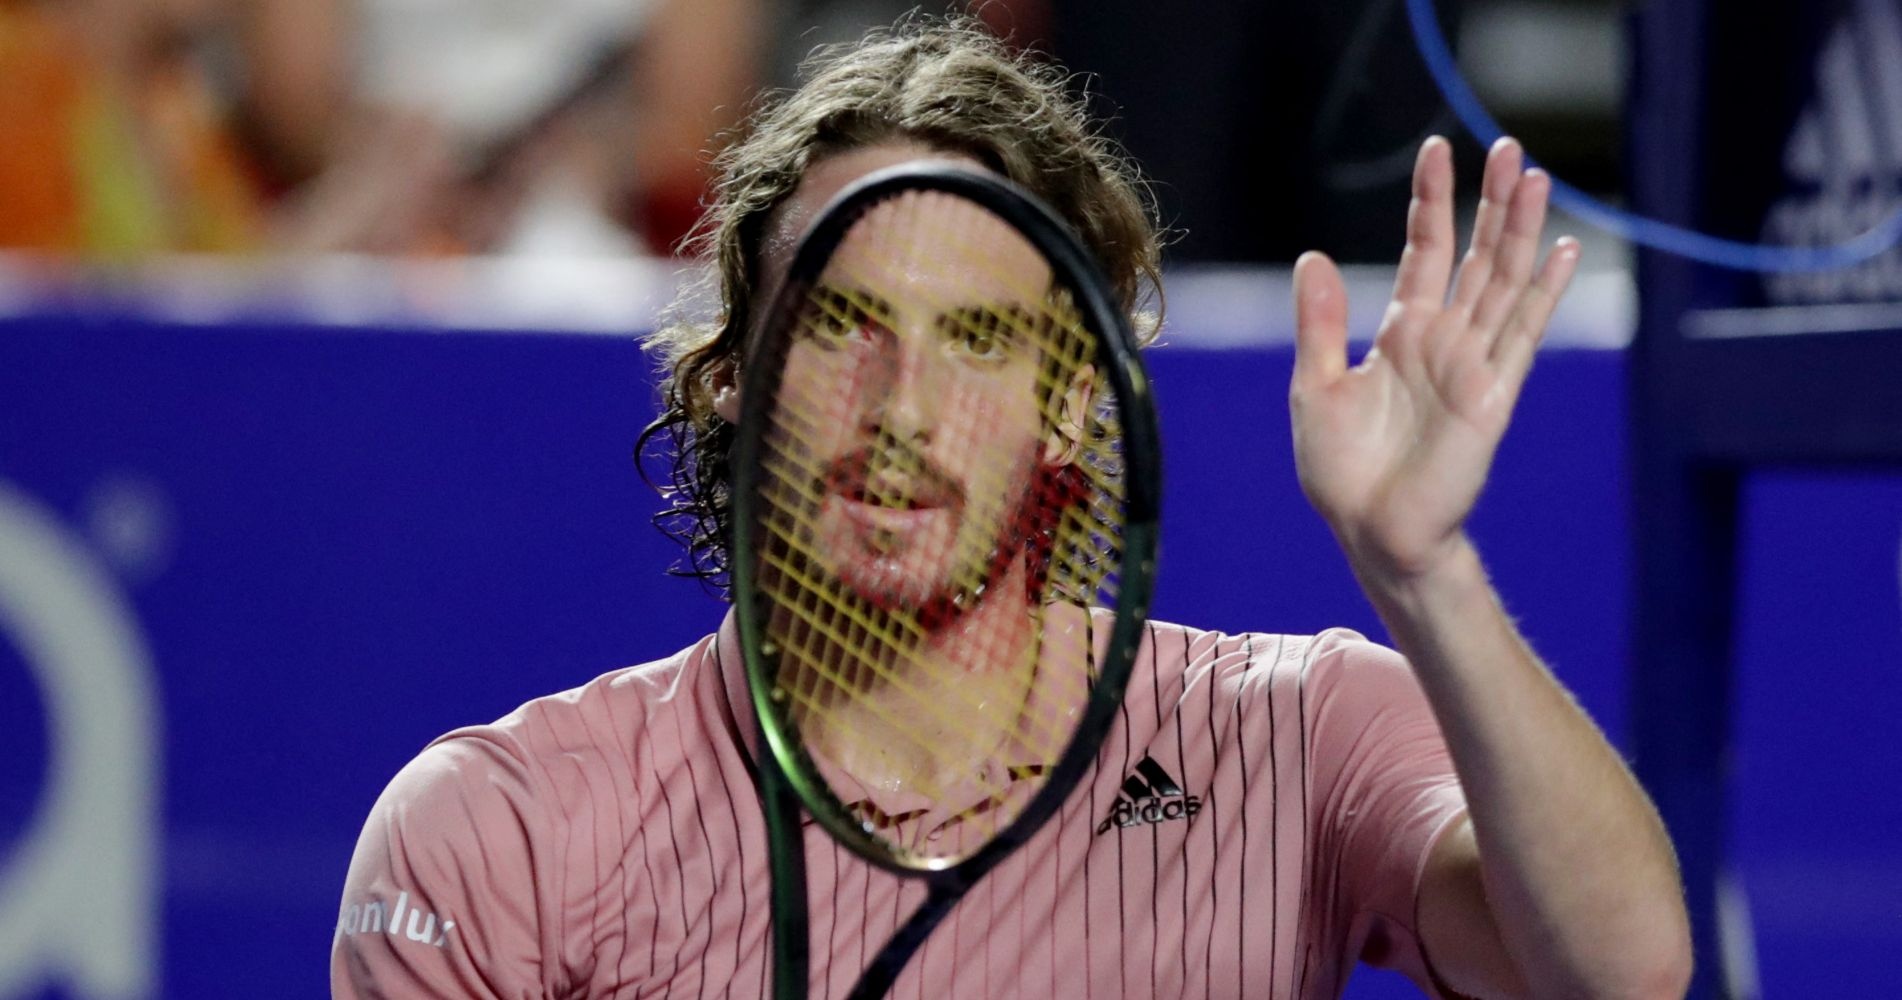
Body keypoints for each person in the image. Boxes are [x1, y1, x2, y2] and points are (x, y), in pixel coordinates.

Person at [332, 18, 1692, 999]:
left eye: (978, 340)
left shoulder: (1297, 738)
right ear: (734, 373)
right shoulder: (501, 833)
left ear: (1068, 404)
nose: (904, 407)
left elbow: (1616, 969)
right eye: (841, 324)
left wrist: (1425, 570)